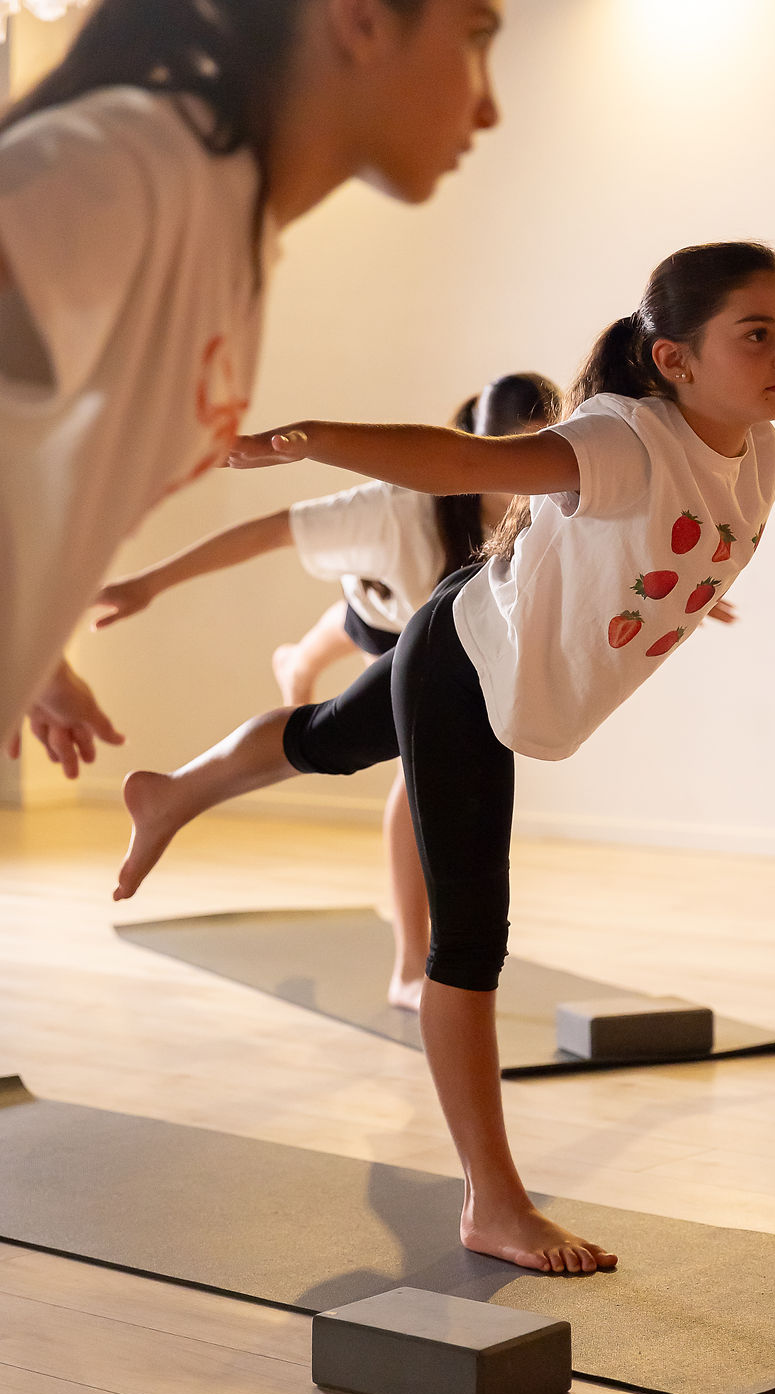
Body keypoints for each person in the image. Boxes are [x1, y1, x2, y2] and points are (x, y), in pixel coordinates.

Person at [113, 241, 775, 1274]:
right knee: (471, 940)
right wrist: (305, 437)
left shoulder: (760, 451)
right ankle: (491, 1202)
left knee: (323, 741)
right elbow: (459, 462)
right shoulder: (619, 441)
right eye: (754, 335)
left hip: (473, 636)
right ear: (673, 360)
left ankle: (171, 791)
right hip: (467, 671)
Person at [0, 0, 502, 775]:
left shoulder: (231, 230)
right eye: (476, 38)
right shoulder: (126, 167)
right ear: (362, 18)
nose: (490, 105)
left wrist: (32, 647)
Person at [94, 375, 562, 1009]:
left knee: (364, 666)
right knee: (377, 682)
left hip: (430, 626)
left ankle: (296, 662)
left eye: (543, 452)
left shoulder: (556, 500)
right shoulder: (397, 507)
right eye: (514, 454)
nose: (532, 475)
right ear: (478, 449)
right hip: (382, 609)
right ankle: (407, 969)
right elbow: (271, 531)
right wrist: (148, 584)